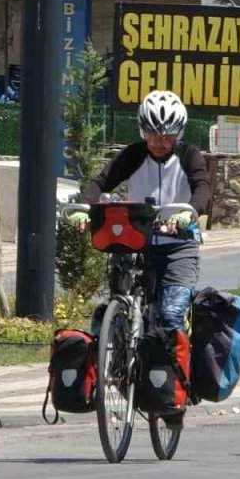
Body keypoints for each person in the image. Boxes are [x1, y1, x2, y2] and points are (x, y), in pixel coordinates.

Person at [73, 90, 210, 332]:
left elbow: (202, 188)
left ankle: (178, 364)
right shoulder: (133, 155)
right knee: (118, 309)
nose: (160, 142)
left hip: (178, 245)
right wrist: (85, 207)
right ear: (142, 131)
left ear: (179, 132)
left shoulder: (189, 156)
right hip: (135, 241)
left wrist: (189, 212)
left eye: (168, 136)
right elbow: (100, 183)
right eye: (152, 135)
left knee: (171, 315)